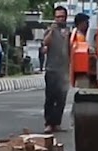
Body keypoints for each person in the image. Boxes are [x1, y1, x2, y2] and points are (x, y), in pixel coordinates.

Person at [42, 6, 70, 134]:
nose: (60, 19)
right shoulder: (49, 31)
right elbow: (45, 44)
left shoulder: (69, 31)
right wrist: (52, 32)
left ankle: (57, 122)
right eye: (57, 17)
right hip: (52, 68)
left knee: (61, 98)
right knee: (50, 97)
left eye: (62, 17)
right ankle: (48, 123)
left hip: (64, 69)